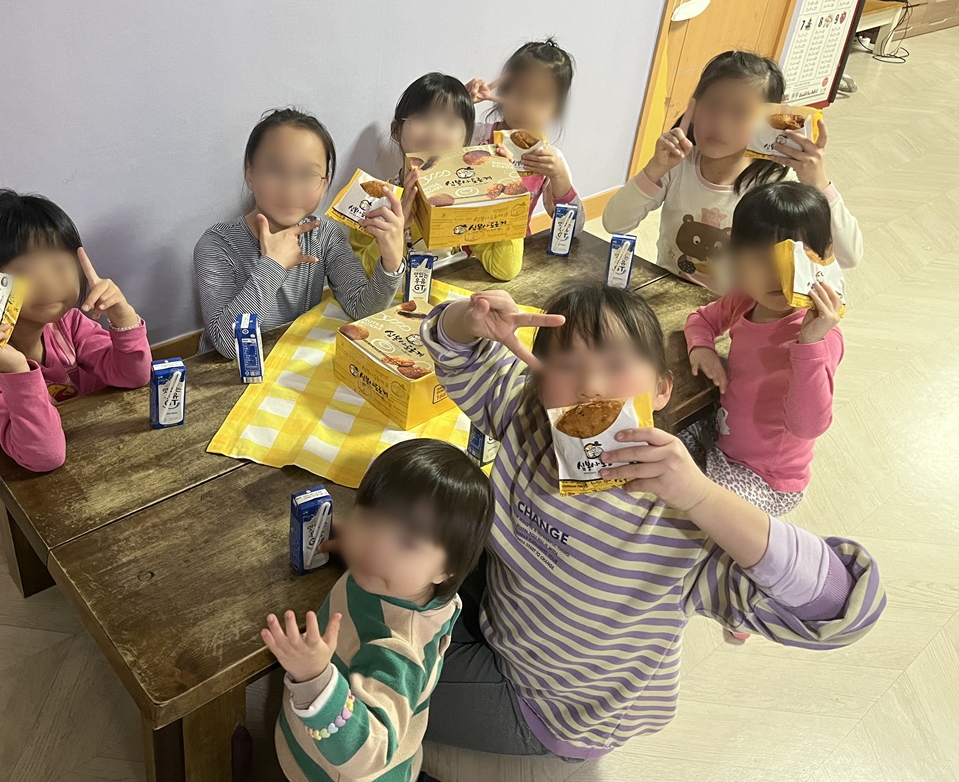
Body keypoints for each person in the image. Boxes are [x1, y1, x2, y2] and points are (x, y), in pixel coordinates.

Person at [416, 281, 884, 759]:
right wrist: (467, 318)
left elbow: (839, 605)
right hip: (502, 618)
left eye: (616, 365)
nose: (590, 386)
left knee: (378, 678)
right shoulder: (527, 417)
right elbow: (453, 350)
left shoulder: (683, 529)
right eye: (567, 365)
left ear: (661, 389)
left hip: (549, 707)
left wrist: (701, 496)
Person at [263, 439, 494, 781]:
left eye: (407, 542)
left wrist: (314, 679)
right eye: (370, 521)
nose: (376, 547)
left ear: (447, 571)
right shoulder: (394, 579)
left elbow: (369, 752)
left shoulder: (398, 650)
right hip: (308, 749)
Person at [0, 190, 150, 524]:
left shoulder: (68, 323)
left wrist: (123, 315)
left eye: (59, 264)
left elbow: (133, 376)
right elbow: (44, 457)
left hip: (73, 452)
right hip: (10, 496)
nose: (49, 282)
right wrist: (16, 370)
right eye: (25, 269)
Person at [601, 50, 862, 291]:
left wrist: (817, 182)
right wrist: (654, 169)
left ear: (766, 121)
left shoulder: (776, 183)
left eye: (740, 113)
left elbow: (849, 255)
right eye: (712, 105)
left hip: (735, 312)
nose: (720, 122)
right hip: (671, 293)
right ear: (694, 106)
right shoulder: (678, 164)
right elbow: (615, 223)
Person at [683, 182, 844, 516]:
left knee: (707, 514)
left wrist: (809, 343)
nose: (776, 275)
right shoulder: (745, 299)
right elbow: (701, 319)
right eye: (760, 259)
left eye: (793, 259)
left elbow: (807, 427)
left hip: (766, 479)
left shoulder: (821, 337)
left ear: (822, 258)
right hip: (720, 439)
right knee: (655, 441)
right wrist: (702, 348)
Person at [195, 108, 404, 358]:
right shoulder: (217, 244)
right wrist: (274, 264)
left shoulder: (324, 236)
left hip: (292, 359)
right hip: (227, 372)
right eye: (275, 170)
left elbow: (363, 308)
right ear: (250, 174)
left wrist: (391, 261)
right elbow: (229, 344)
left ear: (325, 183)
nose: (291, 189)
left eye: (307, 174)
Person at [350, 72, 525, 281]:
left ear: (465, 141)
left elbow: (505, 269)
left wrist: (505, 188)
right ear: (396, 130)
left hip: (449, 296)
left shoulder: (465, 199)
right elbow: (358, 279)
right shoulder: (372, 199)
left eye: (450, 123)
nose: (436, 132)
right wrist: (396, 230)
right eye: (423, 118)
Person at [466, 37, 586, 279]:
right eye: (519, 94)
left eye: (541, 100)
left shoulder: (549, 160)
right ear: (503, 92)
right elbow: (432, 157)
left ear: (556, 109)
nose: (527, 107)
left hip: (511, 257)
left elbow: (573, 230)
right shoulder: (474, 136)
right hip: (459, 252)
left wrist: (559, 177)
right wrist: (461, 104)